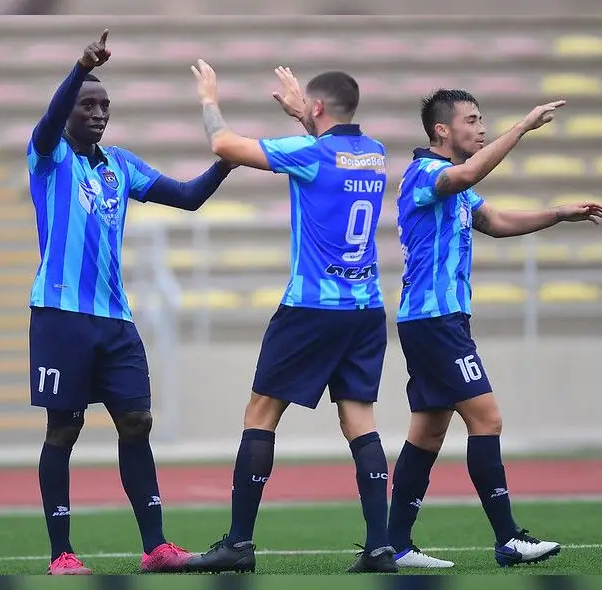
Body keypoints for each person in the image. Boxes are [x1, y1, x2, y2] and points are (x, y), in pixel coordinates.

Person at [27, 31, 237, 575]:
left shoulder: (119, 164)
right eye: (87, 105)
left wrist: (228, 161)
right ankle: (61, 555)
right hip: (61, 315)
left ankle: (156, 548)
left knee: (137, 422)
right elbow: (47, 124)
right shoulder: (47, 157)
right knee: (63, 430)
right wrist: (79, 67)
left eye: (104, 106)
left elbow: (187, 198)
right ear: (69, 109)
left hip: (116, 320)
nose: (98, 114)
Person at [182, 61, 398, 574]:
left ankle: (238, 543)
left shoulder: (309, 152)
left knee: (261, 415)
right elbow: (331, 151)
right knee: (359, 421)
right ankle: (380, 547)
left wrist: (209, 98)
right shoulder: (375, 154)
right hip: (365, 308)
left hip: (311, 308)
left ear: (317, 107)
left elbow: (223, 146)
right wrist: (307, 115)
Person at [387, 89, 602, 569]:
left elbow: (496, 220)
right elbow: (468, 172)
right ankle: (508, 539)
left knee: (427, 433)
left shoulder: (456, 186)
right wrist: (524, 126)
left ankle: (396, 546)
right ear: (442, 130)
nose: (482, 127)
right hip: (436, 321)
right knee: (486, 419)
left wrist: (558, 214)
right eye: (473, 120)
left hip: (432, 321)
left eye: (484, 119)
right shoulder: (427, 174)